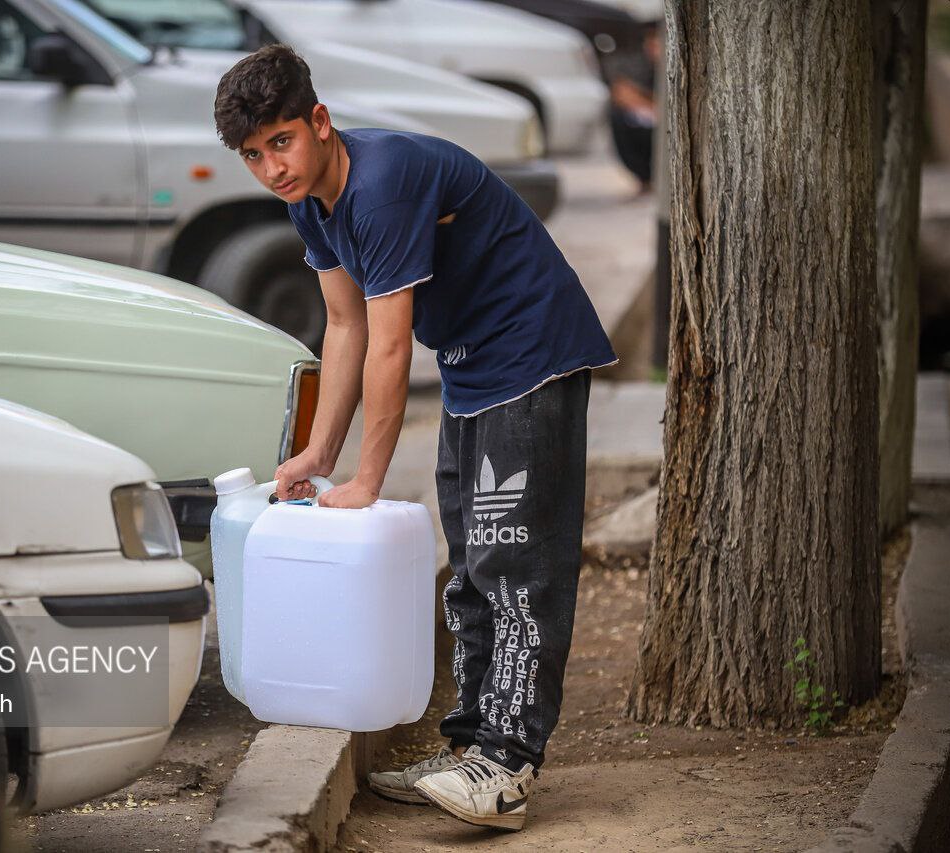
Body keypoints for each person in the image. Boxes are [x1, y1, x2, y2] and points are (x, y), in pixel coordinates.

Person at [213, 44, 616, 832]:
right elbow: (344, 324)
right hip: (474, 363)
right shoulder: (311, 200)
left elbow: (392, 346)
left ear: (319, 121)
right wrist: (320, 455)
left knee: (513, 566)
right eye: (253, 155)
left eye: (281, 142)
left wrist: (368, 478)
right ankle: (469, 746)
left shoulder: (382, 185)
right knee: (470, 567)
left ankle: (507, 767)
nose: (271, 168)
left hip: (531, 353)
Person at [605, 20, 661, 191]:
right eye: (649, 41)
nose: (651, 46)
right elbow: (621, 91)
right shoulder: (641, 64)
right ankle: (645, 178)